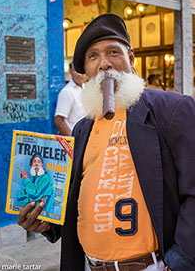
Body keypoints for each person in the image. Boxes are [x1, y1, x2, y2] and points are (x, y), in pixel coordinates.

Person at [17, 14, 195, 271]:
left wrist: (179, 263)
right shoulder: (82, 129)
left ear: (130, 58)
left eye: (113, 52)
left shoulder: (172, 110)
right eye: (93, 57)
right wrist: (44, 222)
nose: (104, 64)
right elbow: (75, 200)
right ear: (86, 71)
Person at [54, 62, 86, 136]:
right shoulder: (67, 92)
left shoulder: (87, 89)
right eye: (75, 71)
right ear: (70, 71)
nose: (79, 74)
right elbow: (58, 120)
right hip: (76, 141)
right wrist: (72, 141)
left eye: (81, 71)